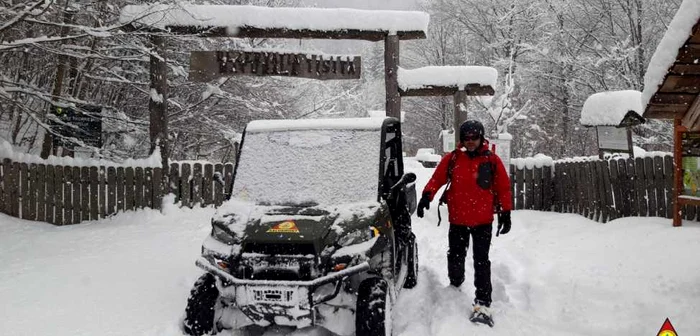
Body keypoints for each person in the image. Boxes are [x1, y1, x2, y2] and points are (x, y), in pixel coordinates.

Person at [416, 120, 512, 327]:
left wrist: (505, 212)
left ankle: (483, 302)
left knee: (481, 260)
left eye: (474, 138)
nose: (470, 142)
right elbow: (437, 179)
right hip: (458, 219)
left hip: (483, 221)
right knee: (456, 255)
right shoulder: (452, 159)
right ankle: (455, 284)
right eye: (466, 138)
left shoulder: (492, 160)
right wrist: (426, 196)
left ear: (481, 138)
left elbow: (503, 188)